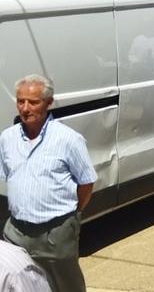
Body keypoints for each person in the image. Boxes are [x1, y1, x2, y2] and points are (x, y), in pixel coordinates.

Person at [0, 75, 97, 292]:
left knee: (65, 285)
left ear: (49, 102)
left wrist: (73, 213)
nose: (25, 108)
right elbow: (8, 176)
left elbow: (86, 182)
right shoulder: (7, 138)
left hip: (55, 234)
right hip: (16, 231)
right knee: (20, 284)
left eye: (33, 102)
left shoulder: (68, 139)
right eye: (20, 101)